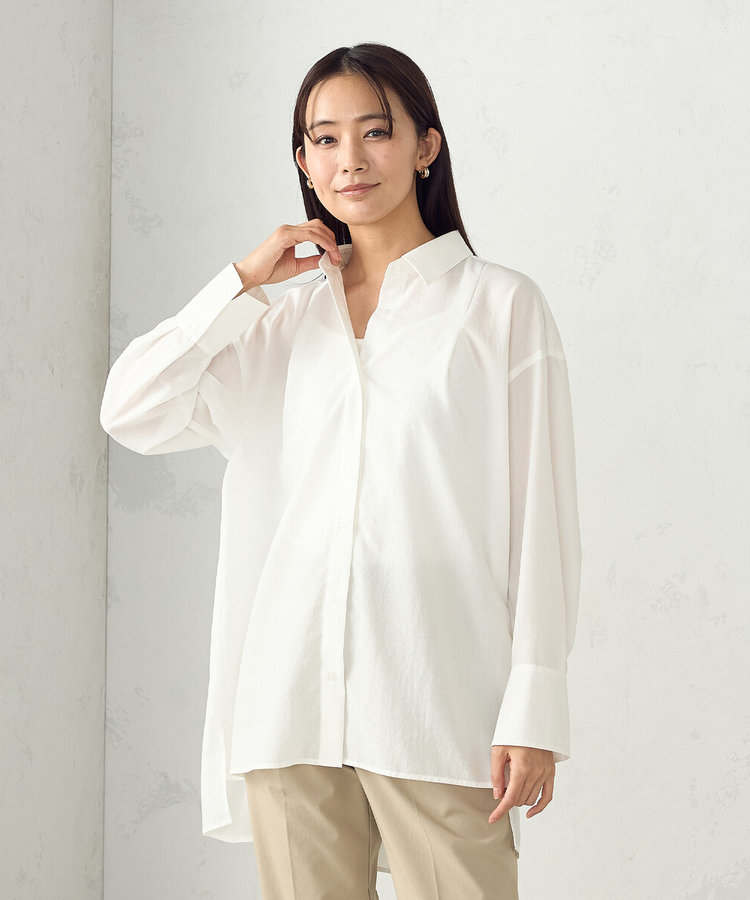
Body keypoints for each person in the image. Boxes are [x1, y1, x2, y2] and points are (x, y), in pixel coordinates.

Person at [99, 41, 581, 900]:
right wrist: (242, 283)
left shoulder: (499, 307)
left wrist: (533, 707)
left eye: (375, 131)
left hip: (437, 699)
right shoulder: (282, 326)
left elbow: (543, 524)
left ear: (426, 146)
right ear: (303, 162)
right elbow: (131, 409)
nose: (349, 159)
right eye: (324, 139)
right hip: (289, 703)